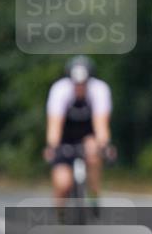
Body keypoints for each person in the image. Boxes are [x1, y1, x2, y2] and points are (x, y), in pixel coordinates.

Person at [43, 55, 114, 209]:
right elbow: (55, 124)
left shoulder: (99, 90)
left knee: (93, 151)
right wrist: (52, 147)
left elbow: (101, 124)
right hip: (65, 137)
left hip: (88, 134)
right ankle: (60, 216)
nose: (80, 87)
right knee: (62, 184)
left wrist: (105, 145)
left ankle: (93, 193)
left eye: (83, 84)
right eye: (77, 84)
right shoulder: (60, 90)